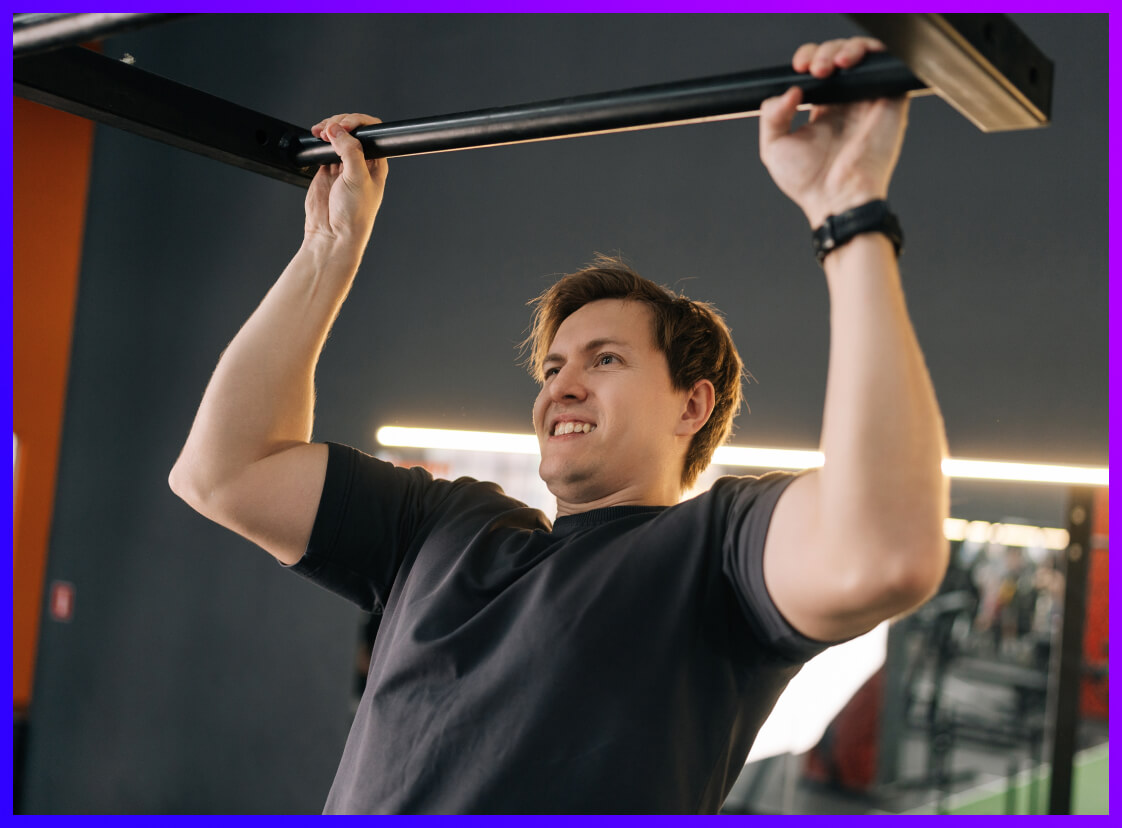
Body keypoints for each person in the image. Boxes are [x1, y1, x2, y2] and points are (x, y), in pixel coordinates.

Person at [169, 37, 949, 814]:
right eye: (552, 368)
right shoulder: (443, 528)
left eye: (605, 360)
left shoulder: (715, 559)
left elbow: (885, 548)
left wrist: (848, 214)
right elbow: (223, 470)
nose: (563, 387)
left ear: (692, 405)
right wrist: (329, 249)